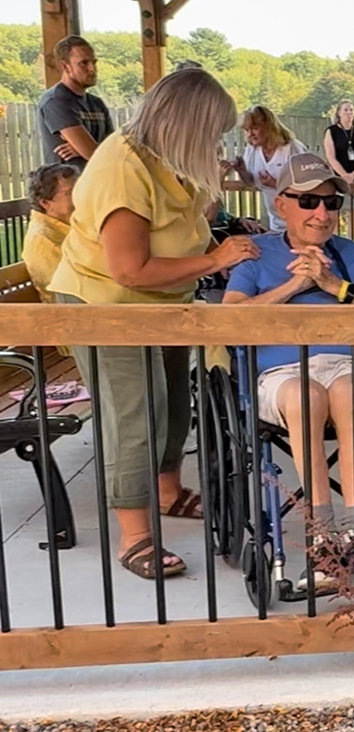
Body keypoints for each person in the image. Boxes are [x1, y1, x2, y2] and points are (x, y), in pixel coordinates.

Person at [48, 68, 260, 580]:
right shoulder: (122, 167)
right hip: (107, 302)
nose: (217, 145)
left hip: (163, 299)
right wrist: (213, 262)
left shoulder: (171, 159)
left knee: (174, 402)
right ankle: (134, 535)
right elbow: (129, 268)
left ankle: (167, 492)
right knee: (135, 411)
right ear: (186, 127)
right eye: (211, 133)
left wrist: (216, 248)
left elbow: (182, 230)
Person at [224, 153, 354, 592]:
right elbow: (231, 318)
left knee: (347, 392)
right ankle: (323, 538)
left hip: (347, 365)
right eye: (308, 201)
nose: (322, 212)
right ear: (280, 204)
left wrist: (335, 286)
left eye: (331, 202)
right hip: (281, 373)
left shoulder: (350, 254)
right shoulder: (257, 254)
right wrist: (294, 286)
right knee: (306, 396)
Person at [226, 105, 307, 234]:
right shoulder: (252, 150)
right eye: (247, 130)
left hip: (301, 219)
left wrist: (276, 184)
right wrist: (242, 171)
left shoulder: (292, 148)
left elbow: (308, 187)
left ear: (269, 126)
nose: (250, 134)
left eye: (255, 128)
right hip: (276, 221)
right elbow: (250, 182)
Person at [37, 36, 113, 170]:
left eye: (94, 62)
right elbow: (91, 153)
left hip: (97, 178)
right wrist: (90, 149)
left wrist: (83, 149)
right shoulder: (56, 101)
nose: (92, 69)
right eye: (84, 63)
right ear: (65, 66)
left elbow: (114, 147)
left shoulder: (97, 103)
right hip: (68, 181)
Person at [22, 163, 79, 303]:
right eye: (71, 192)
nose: (82, 194)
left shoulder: (74, 224)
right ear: (46, 203)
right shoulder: (42, 238)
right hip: (71, 311)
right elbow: (69, 289)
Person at [323, 100, 354, 239]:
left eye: (351, 110)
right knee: (335, 212)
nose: (349, 113)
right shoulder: (331, 132)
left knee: (353, 213)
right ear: (339, 113)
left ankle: (351, 241)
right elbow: (331, 157)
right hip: (337, 179)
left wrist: (353, 174)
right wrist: (343, 175)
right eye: (346, 110)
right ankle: (335, 241)